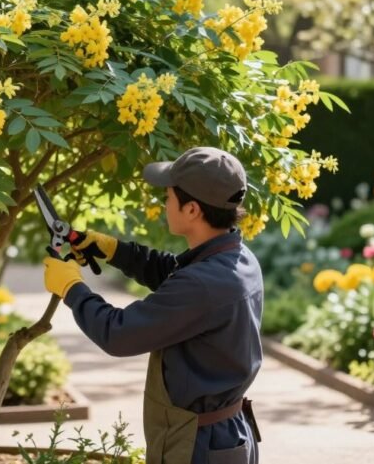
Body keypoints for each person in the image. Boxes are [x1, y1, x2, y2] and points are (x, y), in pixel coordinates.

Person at [43, 147, 263, 464]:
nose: (164, 203)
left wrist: (71, 288)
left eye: (169, 196)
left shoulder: (203, 284)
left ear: (191, 210)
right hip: (223, 433)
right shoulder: (236, 258)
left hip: (198, 445)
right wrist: (113, 249)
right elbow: (177, 275)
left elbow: (118, 334)